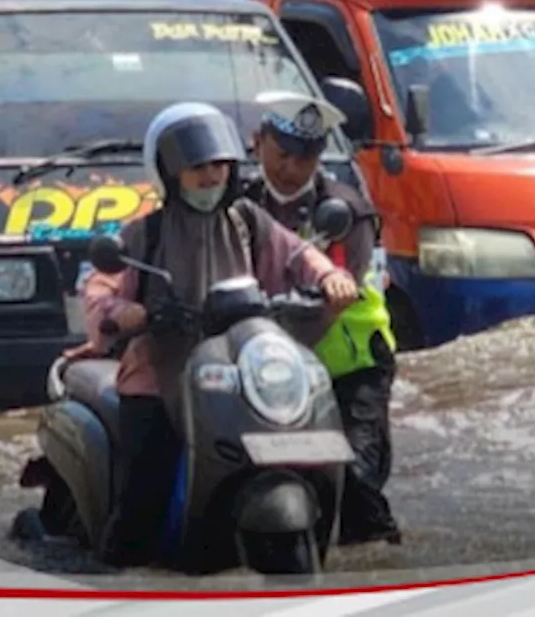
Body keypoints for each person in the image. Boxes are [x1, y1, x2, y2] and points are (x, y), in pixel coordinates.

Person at [66, 101, 359, 567]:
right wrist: (125, 312)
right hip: (159, 372)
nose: (210, 177)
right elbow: (100, 288)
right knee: (147, 482)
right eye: (197, 168)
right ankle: (116, 576)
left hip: (236, 369)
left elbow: (299, 254)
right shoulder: (148, 231)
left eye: (219, 166)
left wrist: (329, 278)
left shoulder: (246, 220)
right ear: (169, 172)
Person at [244, 90, 402, 546]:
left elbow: (338, 290)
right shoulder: (237, 205)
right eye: (284, 153)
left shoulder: (346, 209)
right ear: (258, 142)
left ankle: (381, 558)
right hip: (267, 365)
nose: (292, 168)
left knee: (354, 475)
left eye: (307, 156)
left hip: (350, 368)